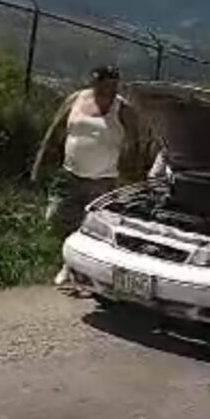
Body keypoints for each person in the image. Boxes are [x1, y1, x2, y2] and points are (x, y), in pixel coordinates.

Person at [31, 66, 140, 287]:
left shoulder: (123, 109)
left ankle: (71, 267)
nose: (107, 88)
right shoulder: (76, 100)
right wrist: (39, 163)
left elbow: (136, 144)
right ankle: (71, 262)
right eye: (102, 83)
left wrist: (131, 177)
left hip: (104, 180)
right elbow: (55, 131)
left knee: (91, 228)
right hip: (70, 173)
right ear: (93, 82)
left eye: (112, 84)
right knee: (55, 217)